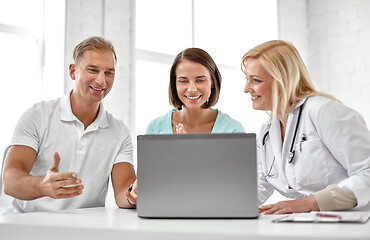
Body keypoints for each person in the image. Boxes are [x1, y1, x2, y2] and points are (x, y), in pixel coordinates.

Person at [2, 36, 136, 213]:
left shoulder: (120, 132)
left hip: (83, 230)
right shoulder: (38, 116)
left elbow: (123, 193)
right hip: (29, 225)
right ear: (73, 71)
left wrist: (135, 193)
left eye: (109, 73)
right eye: (92, 70)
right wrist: (42, 185)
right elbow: (10, 181)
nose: (102, 81)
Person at [242, 40, 370, 214]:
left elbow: (367, 173)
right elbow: (263, 181)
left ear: (283, 81)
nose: (246, 88)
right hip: (311, 223)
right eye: (247, 79)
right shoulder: (267, 130)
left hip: (353, 221)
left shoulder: (323, 111)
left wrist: (312, 203)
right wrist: (227, 206)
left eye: (255, 80)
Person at [125, 48, 245, 206]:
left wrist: (189, 154)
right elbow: (148, 184)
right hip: (167, 215)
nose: (192, 89)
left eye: (200, 80)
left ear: (213, 82)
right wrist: (136, 192)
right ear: (174, 84)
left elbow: (237, 190)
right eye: (183, 81)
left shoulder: (233, 130)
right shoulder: (156, 127)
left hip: (217, 217)